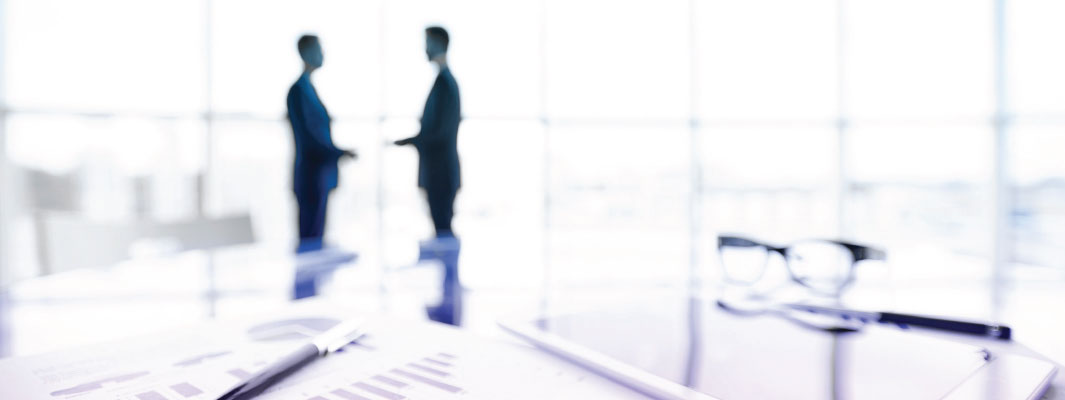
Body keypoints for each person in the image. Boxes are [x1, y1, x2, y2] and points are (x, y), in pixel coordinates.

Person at [287, 34, 355, 249]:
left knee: (316, 239)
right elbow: (309, 138)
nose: (322, 54)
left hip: (320, 176)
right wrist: (338, 153)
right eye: (319, 48)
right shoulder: (298, 91)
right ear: (306, 52)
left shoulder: (309, 89)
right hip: (311, 176)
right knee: (310, 242)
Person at [394, 26, 462, 238]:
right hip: (437, 171)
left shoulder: (446, 84)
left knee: (443, 230)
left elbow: (441, 133)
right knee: (441, 229)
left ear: (440, 44)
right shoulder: (442, 82)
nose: (425, 49)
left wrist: (411, 140)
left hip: (441, 172)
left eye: (428, 43)